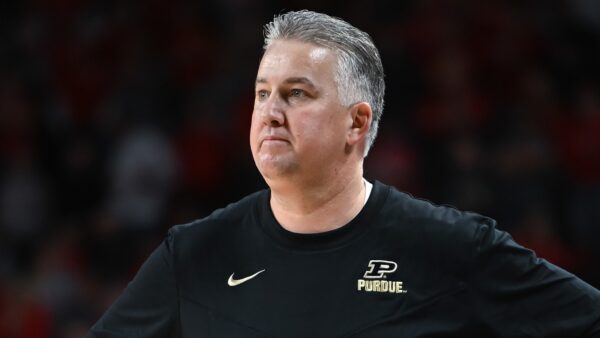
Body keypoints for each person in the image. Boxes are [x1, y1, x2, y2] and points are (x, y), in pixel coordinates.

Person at [87, 10, 600, 338]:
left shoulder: (451, 247)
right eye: (263, 92)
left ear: (357, 122)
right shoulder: (194, 254)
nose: (269, 111)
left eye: (297, 93)